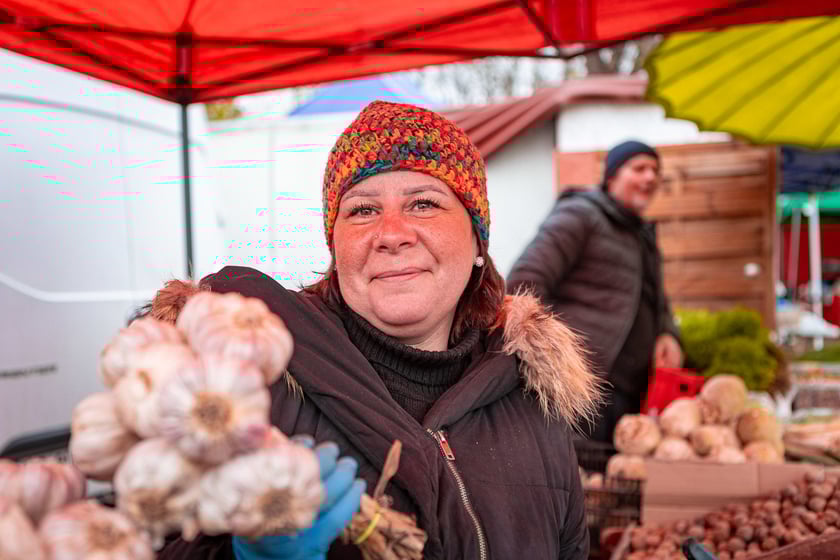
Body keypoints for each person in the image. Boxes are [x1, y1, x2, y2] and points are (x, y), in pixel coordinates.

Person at [152, 101, 601, 560]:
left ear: (477, 244)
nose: (392, 233)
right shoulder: (248, 387)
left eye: (424, 204)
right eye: (363, 211)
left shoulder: (532, 398)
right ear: (336, 247)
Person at [507, 140, 683, 443]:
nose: (651, 177)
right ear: (612, 176)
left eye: (655, 170)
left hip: (628, 395)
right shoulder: (581, 215)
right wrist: (555, 360)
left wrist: (668, 333)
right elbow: (525, 282)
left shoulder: (642, 235)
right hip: (581, 390)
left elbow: (655, 298)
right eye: (639, 168)